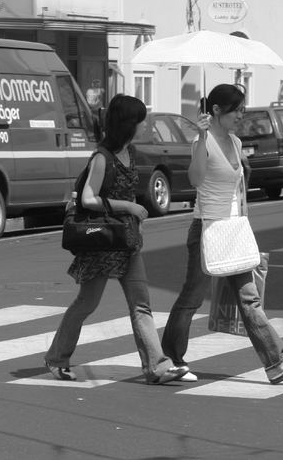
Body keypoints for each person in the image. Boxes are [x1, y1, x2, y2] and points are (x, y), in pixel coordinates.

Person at [161, 84, 283, 384]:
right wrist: (202, 138)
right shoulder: (200, 141)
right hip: (207, 228)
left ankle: (277, 362)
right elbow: (196, 179)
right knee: (191, 298)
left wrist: (244, 223)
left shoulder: (235, 141)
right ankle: (171, 359)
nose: (242, 115)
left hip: (233, 229)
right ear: (216, 111)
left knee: (249, 299)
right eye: (237, 110)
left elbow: (239, 190)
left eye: (243, 109)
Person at [45, 94, 188, 385]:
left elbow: (127, 188)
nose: (143, 125)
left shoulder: (130, 152)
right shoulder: (102, 157)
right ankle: (57, 358)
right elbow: (88, 197)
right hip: (103, 241)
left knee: (141, 304)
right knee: (87, 304)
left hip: (127, 240)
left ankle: (156, 367)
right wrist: (129, 208)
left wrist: (136, 220)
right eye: (139, 121)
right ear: (127, 124)